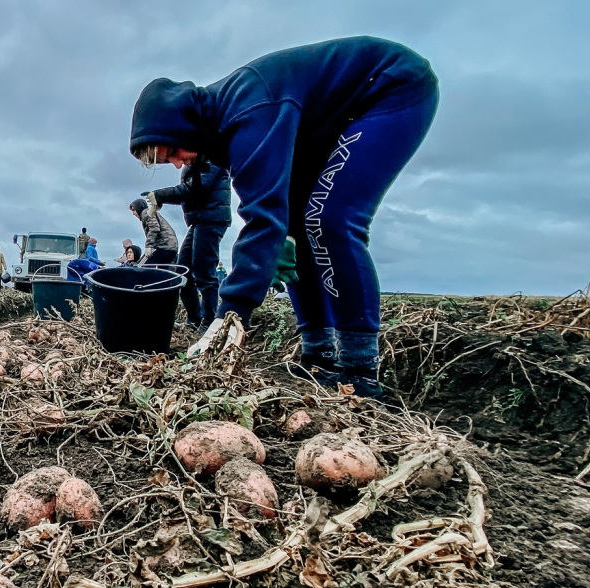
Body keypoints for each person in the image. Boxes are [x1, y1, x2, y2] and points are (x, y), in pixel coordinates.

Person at [130, 36, 439, 398]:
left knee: (330, 219)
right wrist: (281, 235)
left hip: (389, 88)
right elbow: (275, 217)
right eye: (169, 162)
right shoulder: (220, 138)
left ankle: (359, 369)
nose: (179, 162)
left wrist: (230, 314)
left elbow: (262, 216)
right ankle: (319, 353)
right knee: (292, 232)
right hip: (319, 124)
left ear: (181, 122)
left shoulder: (248, 111)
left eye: (173, 150)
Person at [142, 154, 232, 330]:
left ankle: (210, 321)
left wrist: (161, 195)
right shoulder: (196, 160)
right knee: (183, 270)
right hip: (199, 219)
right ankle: (195, 319)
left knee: (204, 271)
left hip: (211, 218)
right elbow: (190, 190)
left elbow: (195, 188)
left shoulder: (211, 157)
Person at [129, 198, 177, 265]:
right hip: (171, 247)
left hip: (162, 246)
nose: (133, 213)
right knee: (162, 271)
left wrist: (148, 246)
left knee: (141, 266)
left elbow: (154, 228)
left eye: (134, 210)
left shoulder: (146, 213)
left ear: (139, 207)